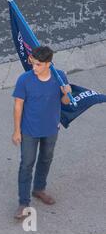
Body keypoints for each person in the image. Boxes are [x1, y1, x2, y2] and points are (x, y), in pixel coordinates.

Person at [12, 46, 72, 219]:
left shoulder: (59, 76)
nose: (34, 68)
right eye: (33, 64)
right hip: (29, 130)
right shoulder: (24, 79)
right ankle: (23, 203)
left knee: (46, 159)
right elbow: (18, 106)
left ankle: (39, 189)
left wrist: (67, 93)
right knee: (26, 164)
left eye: (38, 65)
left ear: (49, 64)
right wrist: (17, 131)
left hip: (51, 128)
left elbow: (65, 102)